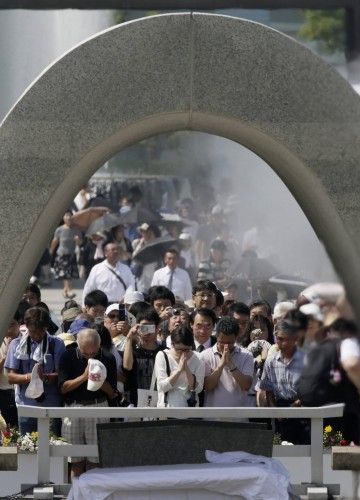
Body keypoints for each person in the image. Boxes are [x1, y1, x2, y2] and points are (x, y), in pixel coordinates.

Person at [58, 328, 117, 479]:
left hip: (99, 406)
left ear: (99, 346)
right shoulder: (67, 356)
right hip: (73, 408)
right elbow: (63, 388)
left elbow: (112, 393)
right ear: (78, 346)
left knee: (96, 461)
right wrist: (84, 377)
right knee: (76, 461)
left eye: (93, 353)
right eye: (85, 353)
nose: (90, 356)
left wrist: (99, 379)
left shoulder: (108, 357)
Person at [5, 307, 65, 433]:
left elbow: (61, 375)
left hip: (51, 406)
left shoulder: (57, 344)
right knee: (28, 449)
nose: (37, 335)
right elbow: (10, 377)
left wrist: (46, 377)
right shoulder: (16, 344)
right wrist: (31, 377)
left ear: (46, 327)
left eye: (41, 331)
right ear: (26, 326)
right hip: (26, 406)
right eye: (33, 331)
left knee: (53, 447)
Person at [258, 319, 308, 444]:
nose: (284, 343)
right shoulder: (271, 361)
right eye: (280, 338)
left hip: (303, 411)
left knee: (304, 451)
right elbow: (267, 389)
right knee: (281, 451)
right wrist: (275, 410)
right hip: (281, 411)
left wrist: (296, 405)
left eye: (288, 339)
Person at [201, 317, 254, 408]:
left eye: (230, 343)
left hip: (238, 417)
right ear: (217, 337)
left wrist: (231, 365)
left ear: (236, 338)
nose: (226, 346)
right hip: (212, 417)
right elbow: (207, 386)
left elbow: (246, 385)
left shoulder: (246, 355)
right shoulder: (205, 355)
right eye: (222, 342)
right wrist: (221, 366)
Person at [154, 326, 205, 407]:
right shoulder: (162, 356)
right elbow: (162, 387)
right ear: (172, 345)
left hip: (190, 412)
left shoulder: (198, 358)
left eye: (187, 350)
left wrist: (187, 370)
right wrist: (178, 370)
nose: (183, 354)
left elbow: (198, 389)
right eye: (179, 350)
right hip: (166, 411)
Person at [122, 308, 164, 406]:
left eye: (151, 327)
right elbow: (127, 366)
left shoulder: (164, 351)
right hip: (135, 401)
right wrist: (129, 338)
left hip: (159, 401)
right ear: (137, 327)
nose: (147, 332)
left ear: (158, 328)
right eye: (144, 327)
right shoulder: (133, 350)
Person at [50, 210, 82, 299]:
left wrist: (77, 240)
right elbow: (55, 241)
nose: (68, 217)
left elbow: (80, 243)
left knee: (68, 274)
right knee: (66, 273)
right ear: (63, 218)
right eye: (66, 216)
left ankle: (65, 290)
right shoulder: (59, 229)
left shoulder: (76, 229)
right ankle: (70, 290)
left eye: (70, 216)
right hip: (61, 254)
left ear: (72, 217)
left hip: (71, 255)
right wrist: (51, 252)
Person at [0, 310, 21, 427]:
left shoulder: (25, 341)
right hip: (3, 391)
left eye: (12, 324)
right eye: (6, 324)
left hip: (21, 392)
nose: (8, 328)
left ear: (19, 324)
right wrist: (5, 356)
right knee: (6, 429)